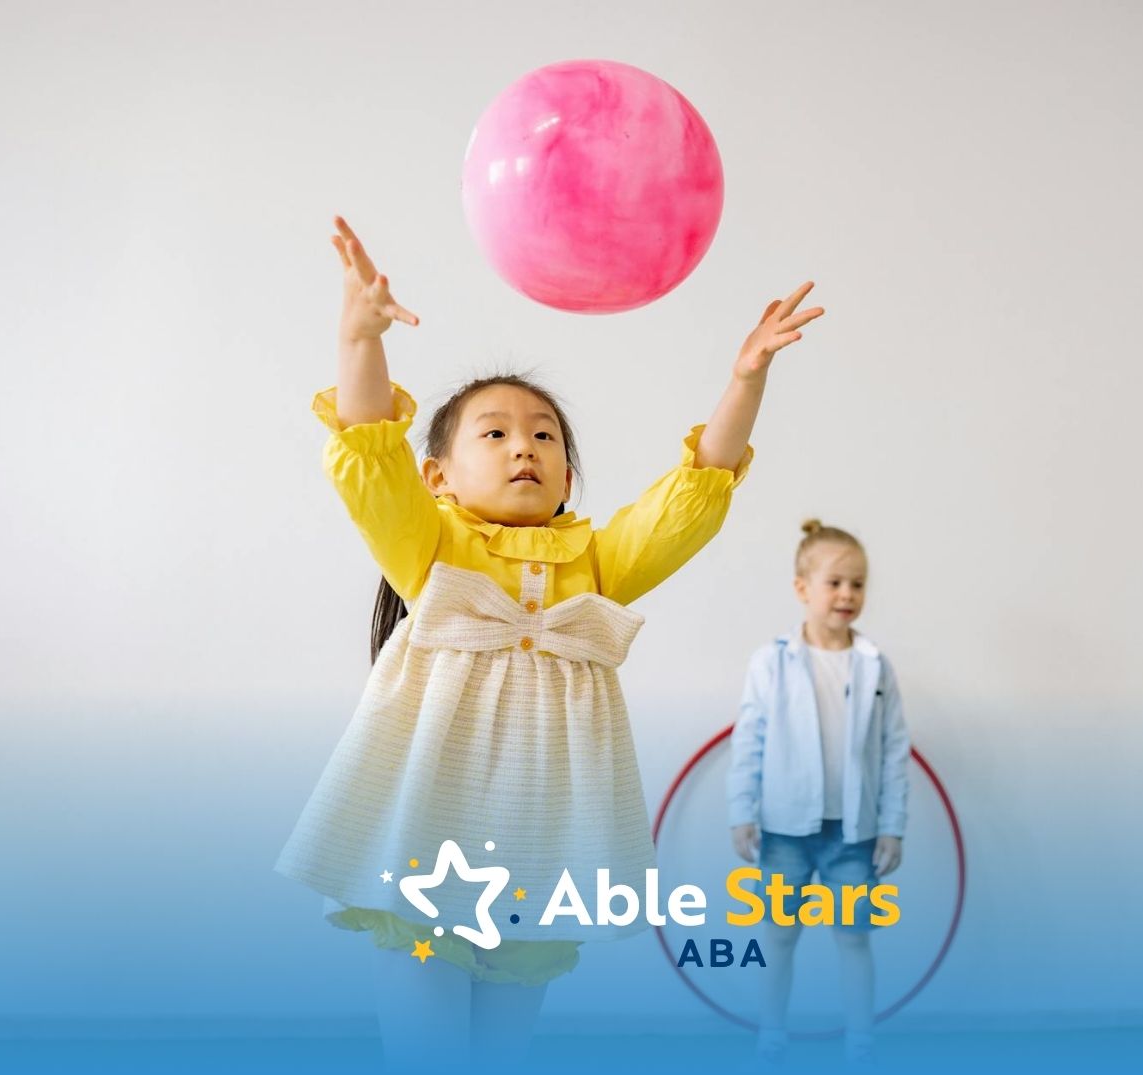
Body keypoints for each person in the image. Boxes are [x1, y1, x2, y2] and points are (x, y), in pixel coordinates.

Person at [275, 216, 825, 1069]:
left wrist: (744, 378)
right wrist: (359, 339)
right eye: (492, 433)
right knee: (427, 1048)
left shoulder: (595, 564)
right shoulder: (429, 548)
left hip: (535, 848)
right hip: (429, 839)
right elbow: (371, 452)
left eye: (543, 436)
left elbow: (691, 496)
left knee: (503, 1047)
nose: (522, 446)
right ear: (440, 476)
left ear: (568, 475)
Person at [727, 520, 911, 1070]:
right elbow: (749, 739)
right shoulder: (772, 662)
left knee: (854, 937)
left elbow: (894, 749)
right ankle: (771, 1034)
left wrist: (893, 824)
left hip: (853, 835)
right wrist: (743, 813)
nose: (848, 595)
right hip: (785, 831)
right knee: (778, 936)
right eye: (835, 583)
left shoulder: (876, 665)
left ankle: (860, 1041)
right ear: (802, 588)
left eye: (858, 584)